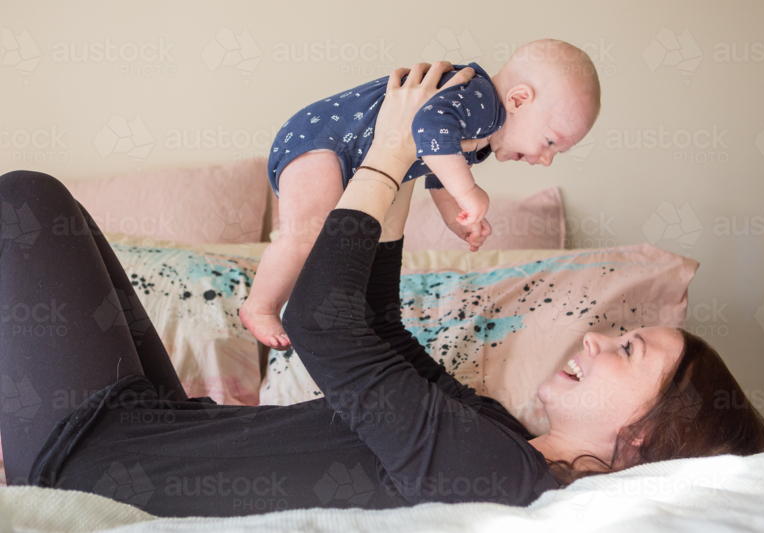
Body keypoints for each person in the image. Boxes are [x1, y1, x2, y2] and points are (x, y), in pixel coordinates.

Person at [0, 62, 764, 519]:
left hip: (95, 459)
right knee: (50, 209)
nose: (595, 338)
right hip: (157, 427)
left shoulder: (504, 478)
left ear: (646, 436)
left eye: (628, 348)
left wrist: (381, 159)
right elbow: (378, 328)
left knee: (23, 203)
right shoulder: (499, 438)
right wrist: (405, 171)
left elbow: (322, 322)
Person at [241, 38, 602, 350]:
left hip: (334, 149)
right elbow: (428, 128)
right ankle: (259, 306)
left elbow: (435, 163)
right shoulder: (481, 101)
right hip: (322, 143)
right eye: (551, 141)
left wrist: (455, 215)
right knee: (305, 237)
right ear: (519, 100)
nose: (546, 159)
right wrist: (469, 191)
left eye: (557, 152)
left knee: (325, 242)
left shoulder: (482, 124)